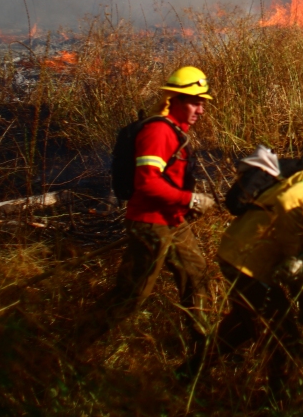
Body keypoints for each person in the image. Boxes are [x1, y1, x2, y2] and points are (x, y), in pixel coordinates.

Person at [189, 148, 303, 395]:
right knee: (284, 337)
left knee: (241, 326)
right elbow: (289, 204)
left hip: (239, 255)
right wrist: (292, 257)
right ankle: (281, 399)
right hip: (248, 261)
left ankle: (187, 373)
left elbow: (301, 249)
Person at [71, 66, 217, 353]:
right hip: (150, 224)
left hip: (173, 221)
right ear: (173, 100)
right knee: (131, 295)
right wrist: (190, 200)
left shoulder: (176, 131)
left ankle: (208, 348)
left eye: (202, 103)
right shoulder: (157, 132)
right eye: (194, 101)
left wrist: (185, 203)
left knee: (197, 277)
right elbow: (147, 184)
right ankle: (72, 346)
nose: (200, 109)